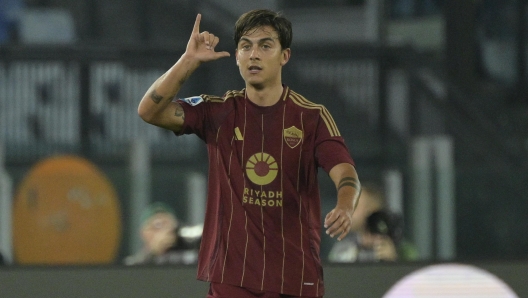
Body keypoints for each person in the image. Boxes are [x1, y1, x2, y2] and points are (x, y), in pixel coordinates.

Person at [137, 9, 361, 298]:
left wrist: (345, 206)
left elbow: (345, 171)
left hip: (294, 277)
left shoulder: (311, 117)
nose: (254, 54)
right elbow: (149, 111)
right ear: (238, 56)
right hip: (232, 278)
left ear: (285, 56)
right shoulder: (218, 113)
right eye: (246, 46)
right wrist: (188, 61)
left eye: (265, 45)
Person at [328, 182, 418, 263]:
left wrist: (394, 261)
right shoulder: (341, 249)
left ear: (372, 211)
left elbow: (415, 276)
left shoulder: (403, 250)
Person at [124, 201, 198, 265]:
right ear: (144, 233)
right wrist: (154, 253)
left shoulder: (185, 257)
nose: (164, 231)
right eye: (157, 225)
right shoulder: (135, 262)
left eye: (168, 225)